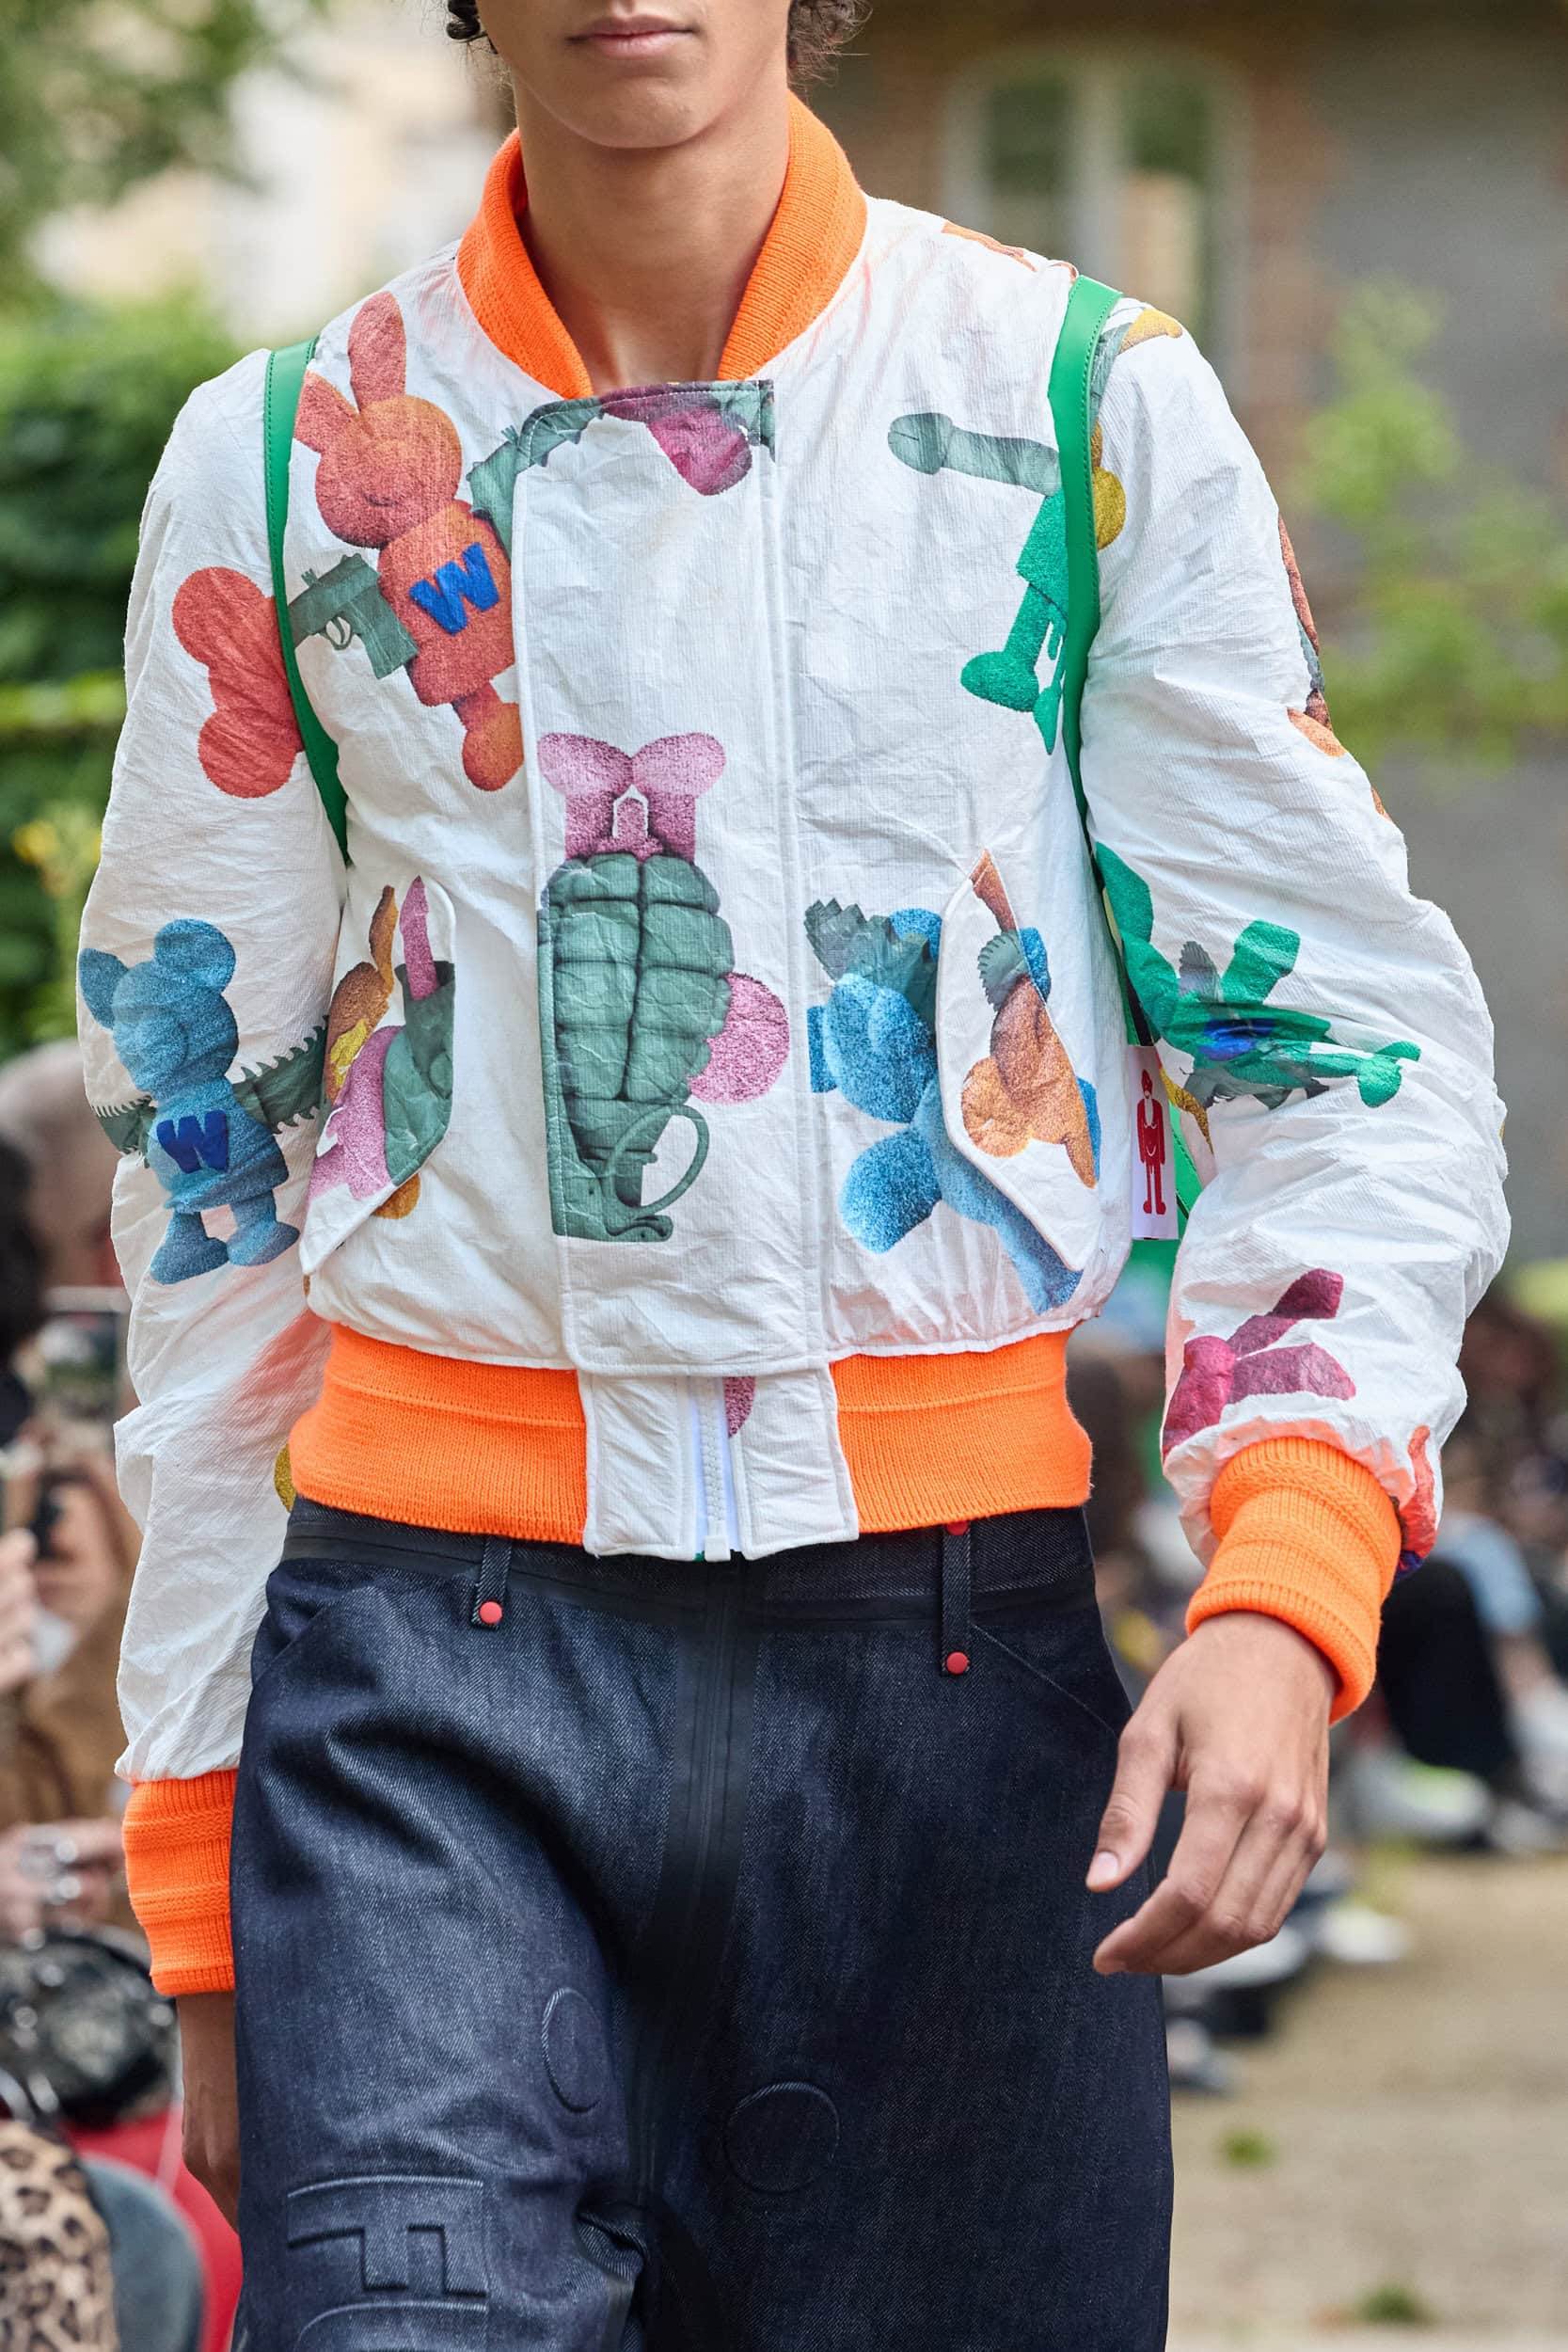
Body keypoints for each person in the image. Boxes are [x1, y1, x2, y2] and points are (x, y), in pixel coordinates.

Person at [76, 3, 1508, 2342]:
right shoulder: (277, 461)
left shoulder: (1077, 402)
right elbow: (201, 1161)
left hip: (947, 1683)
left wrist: (1286, 1579)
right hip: (419, 1694)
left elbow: (1336, 1039)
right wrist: (199, 1851)